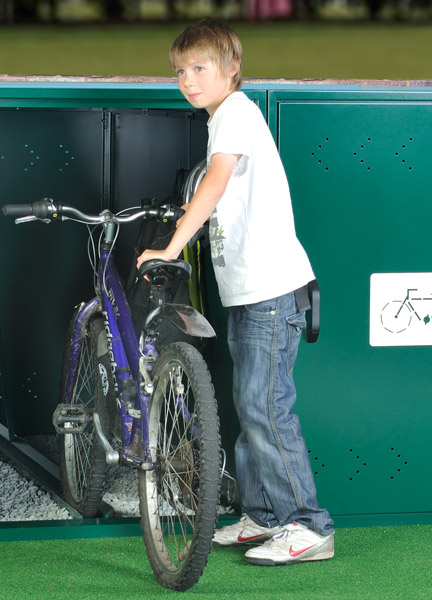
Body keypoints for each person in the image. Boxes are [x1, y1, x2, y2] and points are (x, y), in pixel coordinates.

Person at [136, 18, 335, 566]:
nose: (189, 80)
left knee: (266, 408)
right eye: (180, 71)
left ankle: (310, 526)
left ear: (232, 70)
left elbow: (216, 183)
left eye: (200, 68)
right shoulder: (222, 119)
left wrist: (173, 245)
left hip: (272, 291)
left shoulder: (237, 115)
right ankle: (265, 516)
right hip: (250, 294)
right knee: (249, 407)